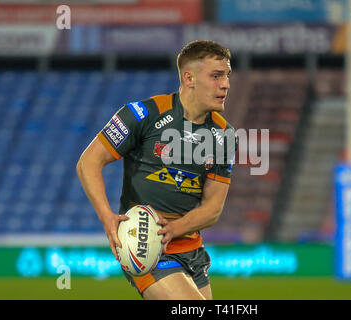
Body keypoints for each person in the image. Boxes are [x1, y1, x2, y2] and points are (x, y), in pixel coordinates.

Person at [76, 40, 237, 300]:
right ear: (189, 78)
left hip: (192, 249)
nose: (226, 84)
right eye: (216, 76)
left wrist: (176, 228)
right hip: (146, 245)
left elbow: (212, 209)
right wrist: (106, 216)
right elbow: (88, 162)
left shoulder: (224, 134)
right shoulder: (142, 115)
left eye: (227, 75)